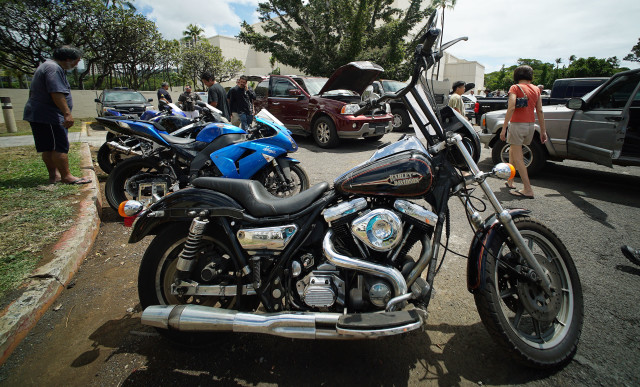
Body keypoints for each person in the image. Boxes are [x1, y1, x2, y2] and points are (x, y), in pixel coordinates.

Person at [23, 45, 91, 185]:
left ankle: (55, 176)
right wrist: (67, 114)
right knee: (59, 146)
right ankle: (66, 177)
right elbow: (56, 92)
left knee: (48, 147)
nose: (76, 65)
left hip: (40, 114)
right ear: (67, 59)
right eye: (76, 61)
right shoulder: (53, 69)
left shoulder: (46, 66)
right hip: (50, 115)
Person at [500, 65, 547, 199]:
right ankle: (510, 180)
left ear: (517, 75)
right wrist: (543, 131)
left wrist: (504, 128)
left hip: (517, 125)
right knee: (513, 152)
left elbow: (511, 107)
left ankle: (527, 189)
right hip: (530, 126)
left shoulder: (515, 87)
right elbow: (540, 110)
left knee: (518, 157)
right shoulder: (536, 89)